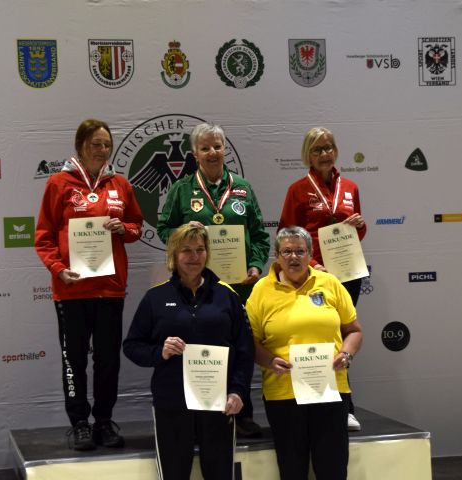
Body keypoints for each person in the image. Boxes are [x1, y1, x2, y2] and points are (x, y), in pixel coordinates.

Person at [35, 119, 143, 451]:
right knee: (75, 360)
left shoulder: (120, 184)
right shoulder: (58, 183)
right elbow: (43, 237)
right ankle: (80, 423)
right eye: (96, 143)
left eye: (107, 144)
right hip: (71, 290)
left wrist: (124, 229)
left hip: (110, 288)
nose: (102, 150)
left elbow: (136, 226)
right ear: (81, 146)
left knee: (108, 361)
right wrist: (58, 269)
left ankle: (104, 421)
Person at [157, 122, 270, 437]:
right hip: (196, 286)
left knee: (240, 347)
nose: (212, 152)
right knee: (201, 345)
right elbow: (164, 229)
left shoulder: (243, 188)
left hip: (238, 286)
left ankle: (242, 412)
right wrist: (184, 232)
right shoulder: (182, 189)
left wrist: (256, 265)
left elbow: (259, 235)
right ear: (195, 153)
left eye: (217, 146)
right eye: (205, 147)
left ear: (225, 149)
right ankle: (200, 414)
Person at [123, 224, 254, 480]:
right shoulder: (156, 297)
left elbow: (244, 350)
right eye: (186, 250)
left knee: (220, 474)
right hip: (172, 403)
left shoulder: (226, 296)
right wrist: (160, 352)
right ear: (174, 254)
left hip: (218, 403)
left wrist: (238, 391)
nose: (194, 257)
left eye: (200, 250)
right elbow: (132, 346)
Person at [245, 226, 363, 480]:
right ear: (277, 255)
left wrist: (346, 355)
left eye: (300, 251)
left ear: (310, 254)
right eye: (287, 251)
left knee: (333, 469)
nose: (294, 257)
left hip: (330, 390)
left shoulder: (330, 283)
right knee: (292, 469)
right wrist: (269, 360)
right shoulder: (261, 290)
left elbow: (354, 330)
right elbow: (250, 341)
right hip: (283, 393)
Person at [278, 126, 366, 431]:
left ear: (336, 150)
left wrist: (359, 225)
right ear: (308, 155)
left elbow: (358, 234)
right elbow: (287, 233)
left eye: (328, 147)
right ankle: (315, 401)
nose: (324, 154)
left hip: (348, 273)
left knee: (343, 337)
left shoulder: (350, 187)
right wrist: (313, 264)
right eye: (317, 149)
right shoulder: (298, 189)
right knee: (319, 335)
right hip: (312, 275)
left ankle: (345, 407)